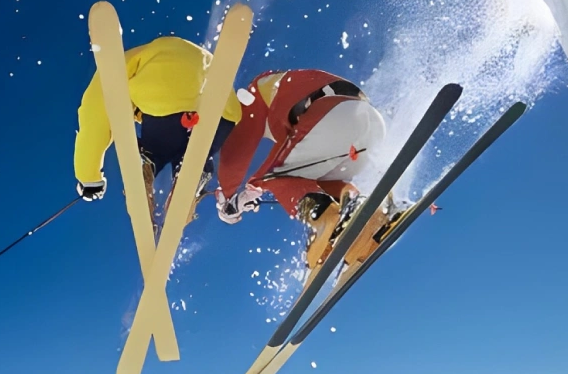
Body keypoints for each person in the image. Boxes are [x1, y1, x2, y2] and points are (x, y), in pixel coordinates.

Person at [215, 68, 387, 269]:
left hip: (334, 114)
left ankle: (324, 220)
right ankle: (367, 217)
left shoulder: (254, 93)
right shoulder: (291, 84)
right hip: (370, 127)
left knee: (277, 177)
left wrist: (230, 197)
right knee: (317, 180)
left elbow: (238, 150)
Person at [74, 35, 242, 224]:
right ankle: (195, 171)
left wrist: (89, 177)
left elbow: (94, 115)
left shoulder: (123, 63)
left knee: (157, 149)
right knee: (194, 154)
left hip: (166, 93)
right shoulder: (199, 56)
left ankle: (148, 165)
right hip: (223, 112)